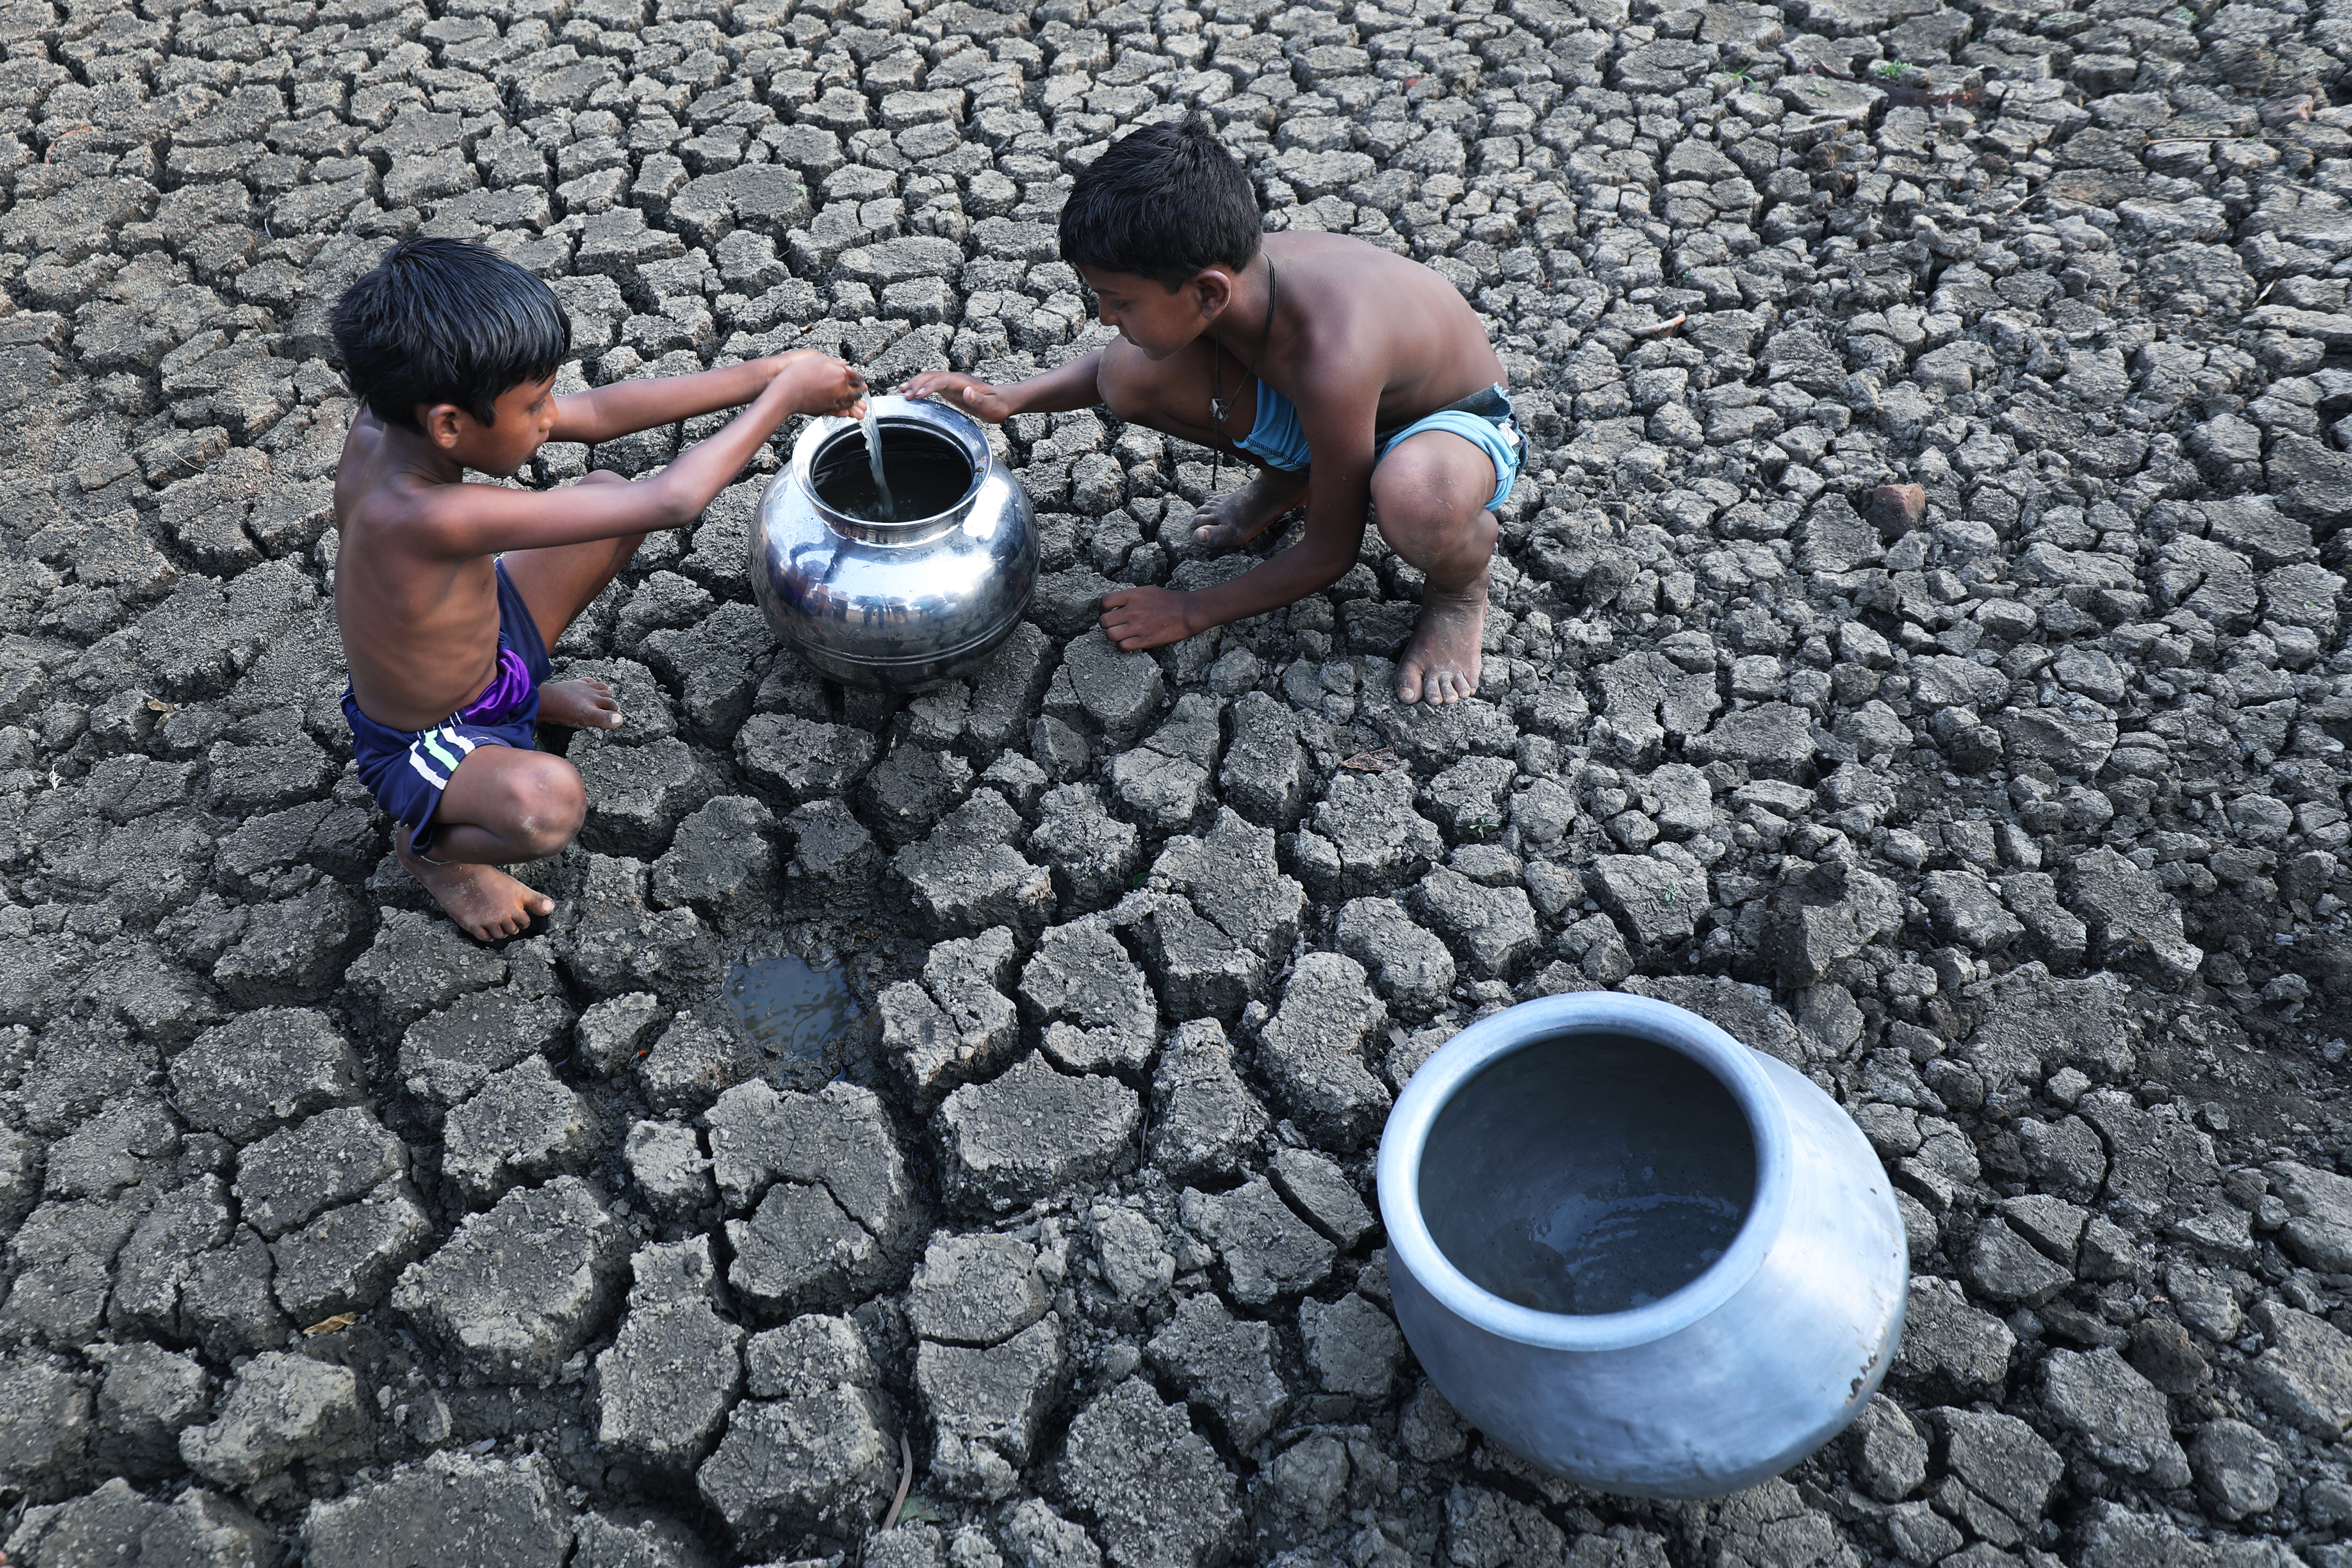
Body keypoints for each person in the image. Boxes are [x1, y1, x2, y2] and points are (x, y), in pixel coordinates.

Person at [329, 237, 865, 940]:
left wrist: (770, 370)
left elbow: (604, 413)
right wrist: (784, 401)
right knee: (548, 805)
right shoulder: (424, 515)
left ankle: (521, 699)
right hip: (431, 737)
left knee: (603, 498)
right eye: (537, 404)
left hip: (488, 656)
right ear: (451, 425)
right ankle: (430, 852)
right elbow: (672, 501)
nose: (552, 416)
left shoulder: (389, 420)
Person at [901, 112, 1521, 706]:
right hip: (1337, 420)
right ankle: (1301, 478)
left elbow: (1332, 553)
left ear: (1208, 293)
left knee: (1415, 500)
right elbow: (1111, 364)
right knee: (1128, 373)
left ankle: (1460, 587)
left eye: (1119, 301)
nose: (1105, 318)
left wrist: (1190, 610)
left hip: (1452, 428)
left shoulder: (1333, 355)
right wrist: (1010, 398)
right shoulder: (1229, 276)